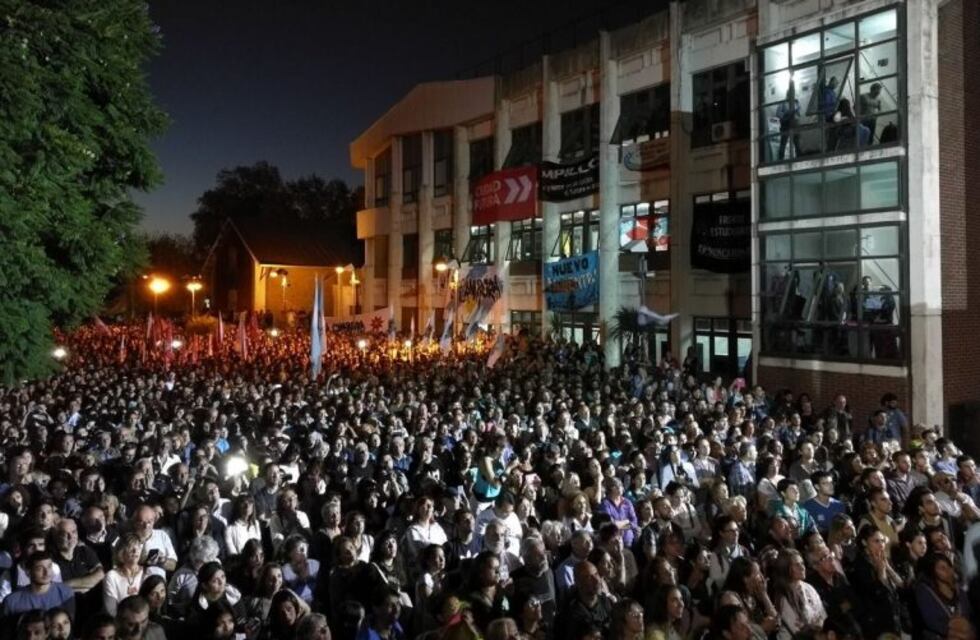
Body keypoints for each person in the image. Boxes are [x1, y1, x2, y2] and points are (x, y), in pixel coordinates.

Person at [2, 552, 76, 619]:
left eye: (49, 566)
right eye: (40, 568)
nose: (47, 572)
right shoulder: (12, 601)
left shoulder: (66, 593)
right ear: (28, 572)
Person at [104, 534, 147, 616]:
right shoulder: (112, 576)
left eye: (138, 546)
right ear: (121, 551)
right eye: (130, 547)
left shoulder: (147, 572)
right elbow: (111, 611)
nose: (135, 550)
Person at [776, 82, 802, 160]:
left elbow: (799, 114)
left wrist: (796, 113)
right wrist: (786, 115)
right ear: (787, 94)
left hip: (795, 124)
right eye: (790, 93)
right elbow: (778, 113)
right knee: (783, 143)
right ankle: (781, 158)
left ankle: (799, 157)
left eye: (793, 93)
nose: (792, 95)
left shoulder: (796, 102)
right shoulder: (782, 103)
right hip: (786, 125)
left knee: (797, 142)